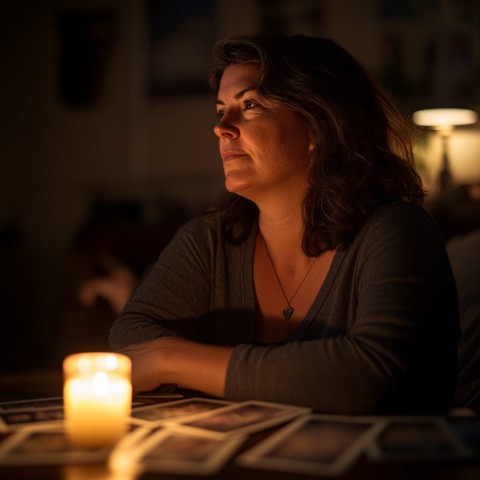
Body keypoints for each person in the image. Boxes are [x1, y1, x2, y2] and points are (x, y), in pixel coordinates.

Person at [109, 35, 459, 415]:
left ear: (318, 127)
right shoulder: (210, 239)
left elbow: (366, 375)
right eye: (221, 109)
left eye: (251, 105)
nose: (222, 127)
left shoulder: (396, 231)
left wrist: (169, 359)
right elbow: (131, 338)